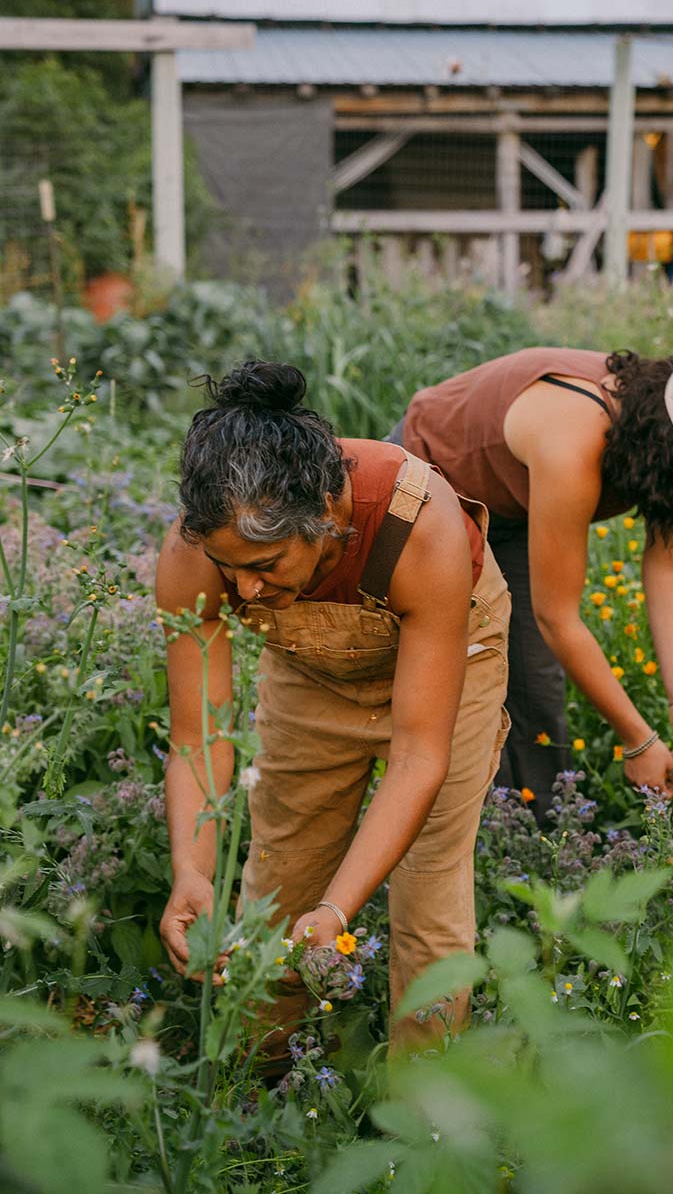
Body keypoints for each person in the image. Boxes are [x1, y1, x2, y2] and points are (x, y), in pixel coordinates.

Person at [157, 361, 510, 1062]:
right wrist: (191, 870)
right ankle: (260, 1075)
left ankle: (423, 1117)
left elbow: (418, 757)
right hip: (311, 673)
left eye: (266, 563)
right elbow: (200, 738)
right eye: (232, 570)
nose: (246, 590)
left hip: (449, 661)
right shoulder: (198, 555)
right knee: (282, 871)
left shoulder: (419, 525)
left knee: (429, 893)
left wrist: (338, 911)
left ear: (325, 516)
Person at [389, 342, 673, 819]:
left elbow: (669, 567)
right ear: (670, 442)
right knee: (450, 671)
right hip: (431, 480)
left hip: (514, 503)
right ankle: (451, 827)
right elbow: (558, 617)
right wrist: (638, 741)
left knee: (534, 681)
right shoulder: (574, 437)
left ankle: (542, 839)